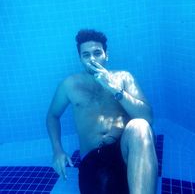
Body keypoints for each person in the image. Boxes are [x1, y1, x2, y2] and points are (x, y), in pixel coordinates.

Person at [46, 29, 158, 194]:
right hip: (92, 159)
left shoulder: (124, 77)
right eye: (86, 55)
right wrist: (57, 150)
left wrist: (114, 89)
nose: (92, 59)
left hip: (124, 152)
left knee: (139, 126)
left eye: (97, 53)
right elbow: (52, 116)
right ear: (80, 59)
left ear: (106, 55)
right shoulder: (69, 85)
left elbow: (147, 117)